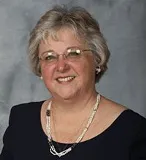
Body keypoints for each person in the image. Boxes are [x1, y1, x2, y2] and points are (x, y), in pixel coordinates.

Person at [0, 5, 146, 160]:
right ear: (40, 68)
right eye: (50, 56)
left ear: (96, 59)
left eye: (73, 54)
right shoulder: (22, 120)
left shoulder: (132, 131)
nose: (61, 66)